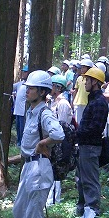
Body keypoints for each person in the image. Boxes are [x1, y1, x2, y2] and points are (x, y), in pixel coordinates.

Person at [12, 71, 65, 218]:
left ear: (42, 92)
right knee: (19, 209)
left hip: (39, 167)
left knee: (34, 211)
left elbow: (58, 134)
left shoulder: (45, 113)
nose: (27, 91)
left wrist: (44, 142)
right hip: (28, 166)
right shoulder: (31, 111)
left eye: (31, 88)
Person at [75, 67, 108, 217]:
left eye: (87, 80)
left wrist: (77, 133)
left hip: (90, 146)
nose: (85, 82)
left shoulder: (99, 102)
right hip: (84, 146)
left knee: (89, 179)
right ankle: (83, 208)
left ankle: (92, 210)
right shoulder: (93, 100)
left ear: (95, 82)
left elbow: (96, 127)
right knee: (81, 179)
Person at [47, 75, 74, 206]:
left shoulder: (63, 104)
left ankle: (54, 200)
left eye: (52, 86)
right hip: (53, 141)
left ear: (57, 87)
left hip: (60, 143)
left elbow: (61, 125)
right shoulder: (53, 102)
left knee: (57, 168)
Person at [72, 59, 93, 124]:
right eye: (81, 67)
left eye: (84, 67)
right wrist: (73, 101)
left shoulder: (92, 79)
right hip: (78, 103)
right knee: (77, 123)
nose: (82, 69)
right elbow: (76, 90)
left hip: (87, 103)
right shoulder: (79, 78)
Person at [13, 66, 29, 146]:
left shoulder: (29, 85)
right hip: (17, 110)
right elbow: (12, 87)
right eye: (23, 71)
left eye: (25, 72)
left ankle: (22, 144)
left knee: (22, 129)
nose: (23, 73)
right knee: (18, 128)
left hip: (23, 111)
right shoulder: (20, 83)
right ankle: (19, 143)